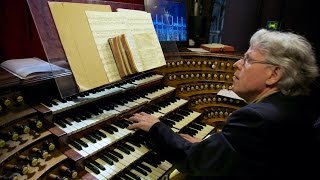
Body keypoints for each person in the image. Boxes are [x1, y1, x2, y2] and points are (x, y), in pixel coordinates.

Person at [127, 29, 319, 176]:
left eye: (248, 60)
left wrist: (156, 127)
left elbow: (196, 162)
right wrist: (209, 145)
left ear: (274, 74)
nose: (236, 64)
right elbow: (245, 153)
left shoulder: (256, 118)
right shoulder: (295, 104)